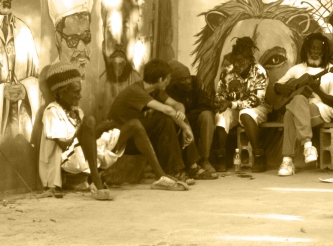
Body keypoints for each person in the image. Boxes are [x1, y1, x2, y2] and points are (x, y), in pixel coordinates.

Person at [39, 62, 188, 200]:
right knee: (89, 120)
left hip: (85, 154)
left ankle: (160, 177)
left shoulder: (77, 111)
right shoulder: (52, 111)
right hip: (68, 159)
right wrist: (90, 129)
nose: (80, 96)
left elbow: (86, 140)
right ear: (61, 92)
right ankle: (97, 183)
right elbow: (64, 146)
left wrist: (100, 129)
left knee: (134, 125)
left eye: (80, 91)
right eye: (75, 92)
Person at [108, 59, 197, 183]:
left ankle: (192, 166)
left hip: (139, 136)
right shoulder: (135, 91)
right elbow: (168, 110)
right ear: (160, 79)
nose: (169, 81)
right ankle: (174, 171)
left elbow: (177, 105)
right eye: (168, 78)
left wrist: (181, 115)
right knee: (164, 119)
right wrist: (186, 128)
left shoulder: (155, 91)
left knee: (176, 118)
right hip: (123, 140)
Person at [273, 32, 333, 176]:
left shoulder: (332, 71)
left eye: (319, 49)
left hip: (322, 109)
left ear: (324, 52)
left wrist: (317, 90)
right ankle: (307, 146)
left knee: (293, 108)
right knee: (294, 107)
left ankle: (287, 161)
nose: (316, 51)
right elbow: (277, 86)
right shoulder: (297, 69)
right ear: (307, 49)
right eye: (313, 48)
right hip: (299, 108)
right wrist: (284, 88)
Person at [215, 37, 270, 173]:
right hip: (233, 106)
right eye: (234, 60)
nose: (236, 64)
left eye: (240, 61)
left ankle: (259, 156)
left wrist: (232, 104)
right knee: (221, 115)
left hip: (258, 107)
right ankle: (221, 157)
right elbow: (220, 94)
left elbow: (255, 100)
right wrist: (220, 102)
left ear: (250, 60)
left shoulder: (259, 72)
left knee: (245, 114)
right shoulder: (227, 72)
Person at [0, 0, 40, 142]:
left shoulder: (23, 31)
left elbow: (37, 77)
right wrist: (2, 92)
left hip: (21, 122)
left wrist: (25, 88)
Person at [166, 60, 218, 178]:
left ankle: (204, 159)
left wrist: (187, 116)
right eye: (183, 79)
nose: (188, 81)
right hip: (179, 121)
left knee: (207, 115)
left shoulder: (196, 82)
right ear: (175, 81)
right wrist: (184, 118)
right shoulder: (169, 89)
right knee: (176, 120)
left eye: (188, 77)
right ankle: (188, 165)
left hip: (193, 118)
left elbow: (206, 105)